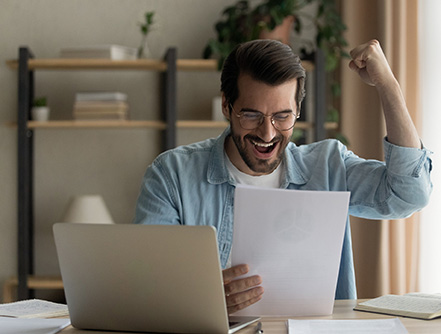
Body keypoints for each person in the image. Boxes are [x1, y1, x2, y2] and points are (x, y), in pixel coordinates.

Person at [133, 39, 432, 314]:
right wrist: (201, 298)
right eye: (251, 115)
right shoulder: (172, 174)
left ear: (298, 110)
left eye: (282, 116)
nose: (267, 132)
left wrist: (388, 86)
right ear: (227, 105)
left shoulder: (328, 166)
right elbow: (146, 285)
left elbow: (409, 196)